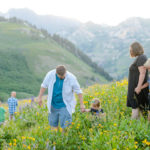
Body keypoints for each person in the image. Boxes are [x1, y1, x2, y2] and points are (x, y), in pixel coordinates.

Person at [38, 65, 85, 132]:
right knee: (53, 126)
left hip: (65, 105)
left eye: (64, 75)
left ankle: (64, 141)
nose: (63, 77)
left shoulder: (71, 78)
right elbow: (44, 85)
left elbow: (78, 91)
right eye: (61, 76)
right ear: (56, 73)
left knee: (65, 126)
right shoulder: (50, 75)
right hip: (53, 104)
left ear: (66, 72)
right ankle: (55, 141)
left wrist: (82, 104)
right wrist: (40, 97)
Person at [127, 42, 149, 119]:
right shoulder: (140, 57)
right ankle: (143, 128)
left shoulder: (141, 57)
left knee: (136, 108)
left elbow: (143, 73)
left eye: (131, 49)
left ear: (135, 49)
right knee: (142, 111)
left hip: (137, 89)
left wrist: (139, 87)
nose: (130, 51)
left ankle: (133, 129)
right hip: (136, 89)